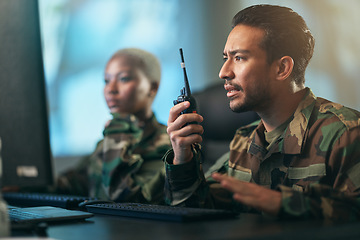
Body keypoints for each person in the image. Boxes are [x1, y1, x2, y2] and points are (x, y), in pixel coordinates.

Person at [163, 4, 360, 221]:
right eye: (225, 58)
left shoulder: (347, 133)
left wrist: (283, 203)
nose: (223, 73)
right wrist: (183, 158)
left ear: (281, 68)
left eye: (239, 58)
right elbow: (195, 212)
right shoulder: (243, 141)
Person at [56, 48, 171, 204]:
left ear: (152, 87)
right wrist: (23, 186)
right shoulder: (105, 142)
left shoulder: (167, 144)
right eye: (106, 81)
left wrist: (118, 134)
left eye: (123, 79)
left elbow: (122, 199)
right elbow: (74, 182)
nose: (111, 89)